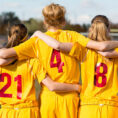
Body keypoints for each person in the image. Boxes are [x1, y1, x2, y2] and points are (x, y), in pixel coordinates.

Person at [0, 4, 118, 118]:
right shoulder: (73, 36)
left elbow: (4, 54)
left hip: (48, 99)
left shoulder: (36, 41)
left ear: (44, 22)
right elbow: (99, 46)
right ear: (64, 21)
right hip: (69, 98)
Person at [35, 15, 118, 118]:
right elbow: (106, 52)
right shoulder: (116, 51)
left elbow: (58, 45)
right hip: (111, 107)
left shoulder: (83, 49)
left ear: (91, 29)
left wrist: (39, 34)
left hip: (88, 107)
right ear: (108, 29)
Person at [0, 23, 81, 118]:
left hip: (5, 112)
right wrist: (77, 87)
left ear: (9, 37)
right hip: (27, 112)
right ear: (27, 40)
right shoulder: (32, 62)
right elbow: (51, 85)